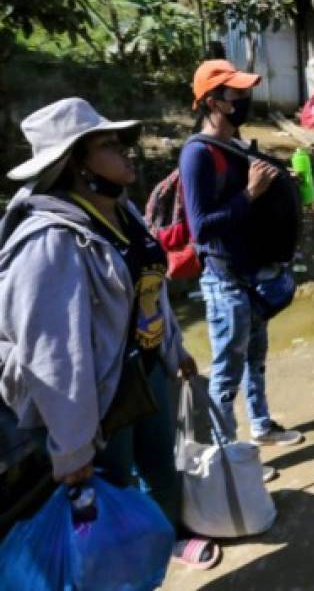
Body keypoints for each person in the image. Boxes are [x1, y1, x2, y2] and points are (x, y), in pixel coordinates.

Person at [0, 97, 220, 567]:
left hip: (143, 371)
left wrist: (173, 348)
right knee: (112, 490)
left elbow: (151, 289)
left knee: (163, 463)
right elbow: (53, 357)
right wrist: (73, 446)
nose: (127, 153)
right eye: (110, 145)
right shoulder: (50, 241)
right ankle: (129, 569)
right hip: (94, 401)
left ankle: (169, 539)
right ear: (76, 162)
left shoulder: (124, 215)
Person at [180, 61, 302, 479]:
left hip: (254, 277)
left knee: (256, 357)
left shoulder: (238, 147)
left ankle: (262, 426)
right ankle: (226, 457)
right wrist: (251, 193)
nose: (244, 100)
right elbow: (201, 228)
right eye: (236, 95)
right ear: (213, 102)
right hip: (225, 279)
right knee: (226, 370)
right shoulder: (197, 154)